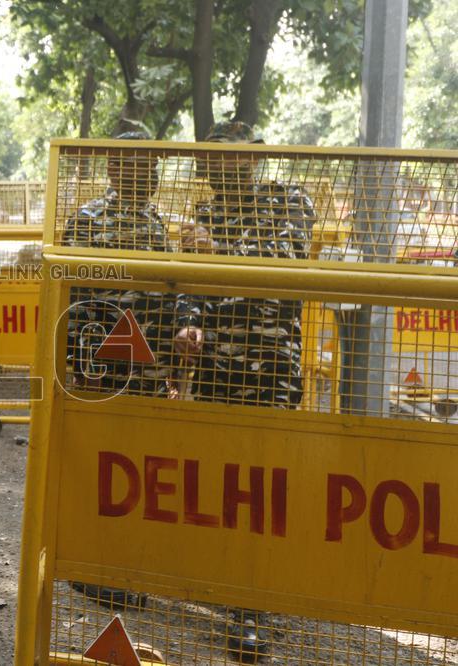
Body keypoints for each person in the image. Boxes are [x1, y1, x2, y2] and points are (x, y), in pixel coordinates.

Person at [175, 120, 316, 662]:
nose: (222, 166)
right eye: (213, 158)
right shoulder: (203, 213)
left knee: (264, 484)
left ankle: (251, 608)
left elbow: (286, 265)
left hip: (269, 370)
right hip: (217, 369)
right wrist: (191, 323)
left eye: (232, 156)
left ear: (255, 159)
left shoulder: (289, 200)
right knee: (220, 481)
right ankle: (224, 587)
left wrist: (219, 250)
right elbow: (192, 283)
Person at [61, 122, 200, 607]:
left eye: (152, 166)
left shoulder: (161, 225)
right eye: (137, 165)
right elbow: (73, 301)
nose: (148, 174)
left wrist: (182, 331)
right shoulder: (86, 220)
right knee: (97, 464)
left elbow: (173, 288)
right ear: (115, 168)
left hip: (149, 367)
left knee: (136, 466)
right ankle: (87, 565)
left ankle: (126, 563)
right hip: (104, 366)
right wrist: (80, 367)